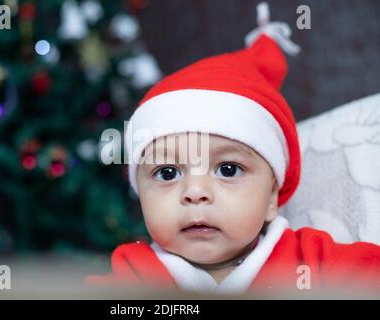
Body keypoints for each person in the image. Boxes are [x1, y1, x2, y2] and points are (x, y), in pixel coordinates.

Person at [85, 3, 380, 295]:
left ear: (272, 197)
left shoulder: (314, 262)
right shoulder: (137, 274)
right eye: (167, 173)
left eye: (228, 169)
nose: (195, 192)